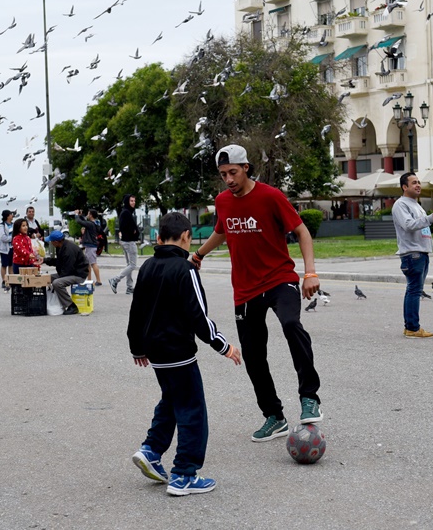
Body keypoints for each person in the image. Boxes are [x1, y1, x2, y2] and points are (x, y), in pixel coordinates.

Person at [190, 144, 323, 442]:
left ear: (246, 168)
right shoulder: (223, 201)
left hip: (279, 279)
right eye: (223, 174)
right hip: (245, 289)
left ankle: (309, 396)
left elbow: (302, 232)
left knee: (291, 324)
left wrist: (310, 272)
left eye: (233, 172)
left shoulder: (271, 196)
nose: (228, 180)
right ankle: (274, 416)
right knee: (253, 354)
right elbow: (222, 231)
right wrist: (198, 255)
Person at [127, 212, 242, 496]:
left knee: (172, 399)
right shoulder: (185, 269)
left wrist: (137, 346)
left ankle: (151, 449)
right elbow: (198, 317)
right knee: (192, 409)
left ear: (158, 237)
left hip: (155, 352)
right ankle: (184, 474)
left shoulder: (147, 266)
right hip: (179, 351)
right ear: (187, 237)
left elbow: (136, 311)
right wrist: (223, 346)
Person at [392, 172, 433, 338]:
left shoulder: (415, 205)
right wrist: (428, 219)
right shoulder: (400, 205)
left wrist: (431, 221)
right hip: (412, 254)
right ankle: (413, 328)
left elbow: (422, 225)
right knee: (414, 290)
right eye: (414, 183)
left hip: (421, 252)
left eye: (419, 182)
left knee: (414, 290)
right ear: (404, 187)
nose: (418, 185)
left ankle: (410, 326)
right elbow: (408, 225)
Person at [43, 230, 86, 315]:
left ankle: (71, 305)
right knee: (46, 278)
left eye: (51, 241)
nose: (50, 243)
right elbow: (60, 262)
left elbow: (67, 271)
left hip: (78, 275)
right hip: (70, 272)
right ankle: (44, 302)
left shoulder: (68, 250)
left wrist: (58, 278)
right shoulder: (61, 246)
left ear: (55, 242)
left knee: (57, 283)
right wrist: (45, 260)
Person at [110, 194, 140, 295]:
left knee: (129, 265)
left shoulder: (126, 212)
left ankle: (129, 287)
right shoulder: (126, 213)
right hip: (129, 242)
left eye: (134, 201)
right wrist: (134, 231)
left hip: (126, 241)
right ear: (127, 201)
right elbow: (127, 228)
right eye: (131, 201)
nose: (133, 203)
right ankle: (115, 279)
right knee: (132, 265)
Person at [73, 209, 103, 286]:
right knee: (88, 264)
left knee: (93, 263)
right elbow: (84, 221)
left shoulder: (91, 224)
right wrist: (80, 215)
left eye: (88, 213)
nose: (87, 215)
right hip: (90, 245)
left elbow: (80, 222)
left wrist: (76, 215)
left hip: (91, 245)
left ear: (91, 215)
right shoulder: (94, 223)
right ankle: (89, 280)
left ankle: (98, 280)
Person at [0, 209, 14, 291]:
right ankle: (4, 280)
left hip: (12, 248)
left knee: (11, 264)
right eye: (11, 214)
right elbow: (3, 237)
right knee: (4, 265)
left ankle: (11, 280)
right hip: (4, 249)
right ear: (7, 216)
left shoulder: (13, 225)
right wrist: (12, 238)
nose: (12, 216)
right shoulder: (1, 226)